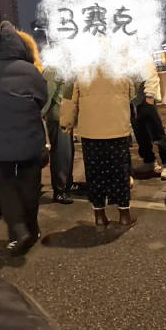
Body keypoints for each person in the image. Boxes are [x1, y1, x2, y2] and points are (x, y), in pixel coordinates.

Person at [0, 21, 47, 255]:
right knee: (30, 185)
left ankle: (17, 229)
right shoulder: (30, 71)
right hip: (29, 136)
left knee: (4, 184)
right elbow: (42, 98)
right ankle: (32, 229)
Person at [61, 69, 136, 228]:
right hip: (117, 129)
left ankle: (100, 216)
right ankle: (124, 216)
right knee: (120, 173)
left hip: (91, 132)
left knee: (95, 174)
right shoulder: (120, 66)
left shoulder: (79, 69)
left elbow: (69, 98)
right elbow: (132, 92)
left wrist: (66, 123)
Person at [131, 60, 166, 181]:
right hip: (132, 102)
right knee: (140, 135)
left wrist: (149, 97)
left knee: (156, 132)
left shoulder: (139, 54)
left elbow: (150, 74)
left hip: (145, 99)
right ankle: (149, 162)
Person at [42, 67, 75, 204]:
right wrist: (40, 114)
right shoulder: (52, 69)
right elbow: (46, 95)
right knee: (61, 154)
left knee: (68, 153)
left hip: (66, 116)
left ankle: (67, 184)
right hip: (58, 117)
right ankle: (60, 190)